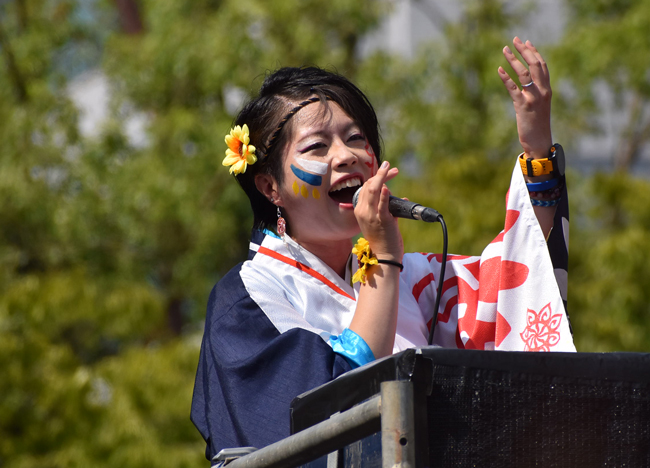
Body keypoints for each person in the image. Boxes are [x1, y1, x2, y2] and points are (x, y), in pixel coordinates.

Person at [191, 37, 575, 460]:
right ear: (269, 187)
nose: (346, 156)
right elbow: (323, 419)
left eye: (356, 138)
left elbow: (516, 281)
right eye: (317, 146)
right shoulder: (248, 298)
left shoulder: (418, 279)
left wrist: (537, 149)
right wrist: (384, 260)